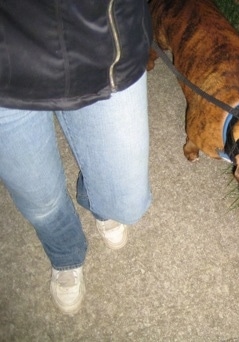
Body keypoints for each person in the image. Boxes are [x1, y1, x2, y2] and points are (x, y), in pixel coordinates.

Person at [0, 1, 153, 315]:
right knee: (39, 198)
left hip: (101, 39)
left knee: (126, 201)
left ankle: (97, 199)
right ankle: (65, 253)